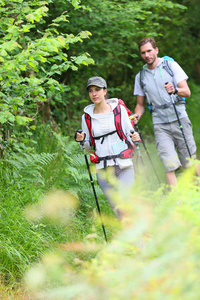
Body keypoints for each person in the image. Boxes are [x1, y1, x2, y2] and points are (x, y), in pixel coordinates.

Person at [133, 37, 197, 187]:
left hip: (179, 118)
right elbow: (140, 105)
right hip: (160, 124)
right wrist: (136, 116)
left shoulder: (171, 66)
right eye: (143, 53)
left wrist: (175, 90)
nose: (146, 55)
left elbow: (186, 92)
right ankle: (176, 204)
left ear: (156, 50)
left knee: (190, 161)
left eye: (149, 51)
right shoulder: (140, 76)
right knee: (169, 164)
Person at [75, 76, 140, 218]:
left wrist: (135, 138)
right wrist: (81, 141)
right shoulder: (86, 117)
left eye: (97, 90)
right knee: (117, 210)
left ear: (105, 91)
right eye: (91, 91)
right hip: (103, 170)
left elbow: (131, 134)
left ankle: (141, 237)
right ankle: (131, 239)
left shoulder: (119, 110)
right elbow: (87, 148)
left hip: (124, 165)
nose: (94, 94)